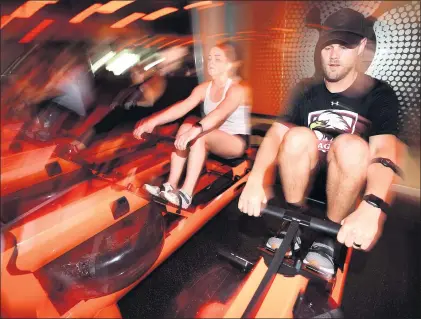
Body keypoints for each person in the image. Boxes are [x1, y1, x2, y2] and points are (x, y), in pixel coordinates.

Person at [238, 8, 401, 276]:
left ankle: (328, 240)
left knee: (351, 145)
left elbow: (384, 150)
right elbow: (276, 134)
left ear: (360, 47)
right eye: (329, 46)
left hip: (344, 189)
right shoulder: (305, 89)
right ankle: (293, 223)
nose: (334, 55)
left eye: (344, 46)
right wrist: (256, 178)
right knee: (297, 135)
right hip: (303, 185)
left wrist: (372, 206)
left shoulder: (379, 94)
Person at [133, 42, 252, 209]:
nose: (210, 62)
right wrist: (152, 121)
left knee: (198, 133)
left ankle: (186, 195)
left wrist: (196, 130)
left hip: (235, 142)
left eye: (217, 59)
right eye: (209, 58)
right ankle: (171, 185)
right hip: (213, 133)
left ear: (229, 64)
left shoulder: (237, 89)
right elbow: (182, 107)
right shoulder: (205, 88)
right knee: (186, 123)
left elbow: (221, 112)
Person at [63, 61, 195, 154]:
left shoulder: (180, 86)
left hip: (188, 140)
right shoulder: (133, 105)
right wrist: (82, 142)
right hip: (159, 151)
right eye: (141, 85)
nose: (145, 87)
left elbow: (195, 102)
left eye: (148, 79)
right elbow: (107, 121)